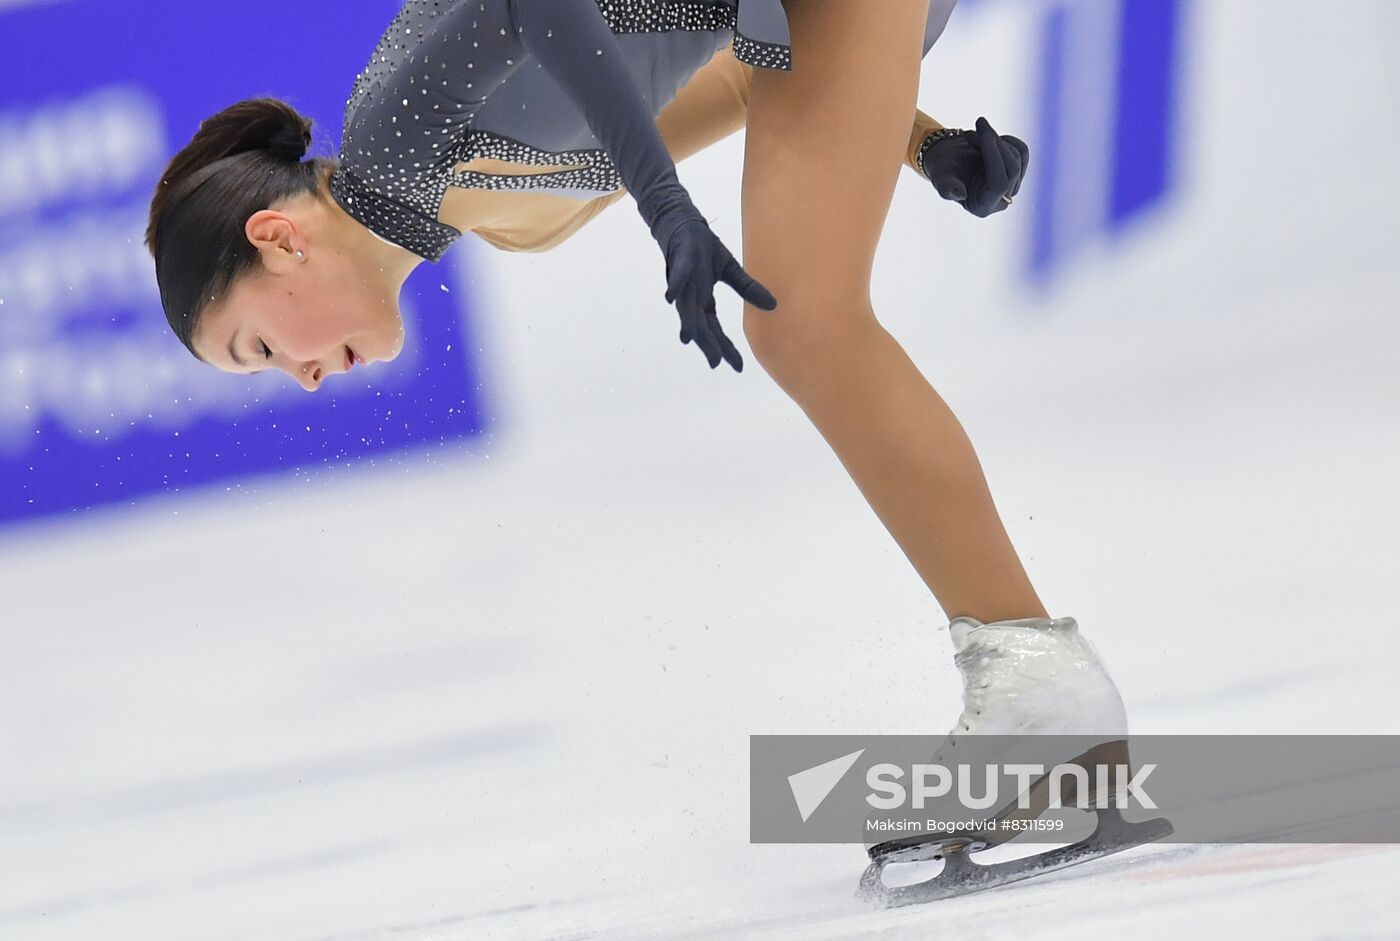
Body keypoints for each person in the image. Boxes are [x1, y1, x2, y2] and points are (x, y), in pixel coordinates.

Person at [145, 0, 1144, 900]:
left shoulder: (390, 136)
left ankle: (1036, 683)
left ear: (278, 238)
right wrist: (918, 145)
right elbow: (745, 74)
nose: (303, 375)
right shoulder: (516, 220)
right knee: (798, 319)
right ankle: (1035, 682)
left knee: (802, 323)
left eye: (262, 346)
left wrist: (668, 206)